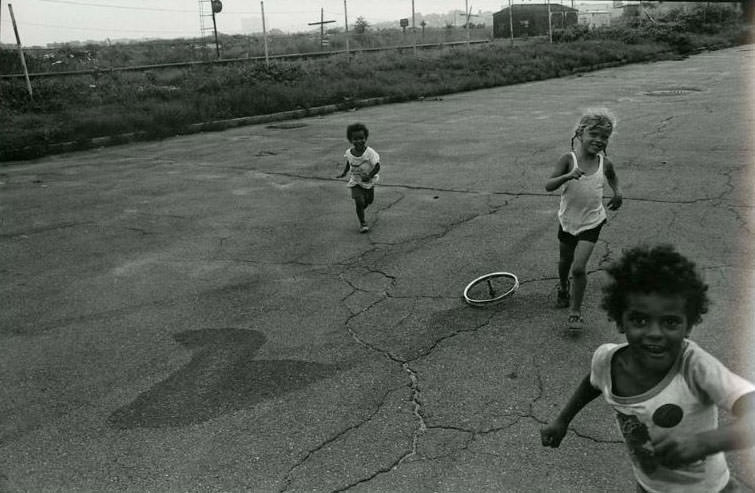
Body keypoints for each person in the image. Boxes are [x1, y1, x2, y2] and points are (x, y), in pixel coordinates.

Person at [541, 244, 755, 492]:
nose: (655, 333)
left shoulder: (694, 366)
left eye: (671, 322)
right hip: (649, 485)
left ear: (689, 326)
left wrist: (704, 443)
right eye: (640, 320)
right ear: (620, 320)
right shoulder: (607, 360)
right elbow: (592, 383)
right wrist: (562, 420)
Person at [545, 108, 623, 330]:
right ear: (580, 134)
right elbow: (548, 185)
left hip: (592, 221)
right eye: (594, 135)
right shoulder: (567, 160)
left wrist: (618, 192)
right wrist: (567, 176)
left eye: (604, 137)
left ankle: (575, 311)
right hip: (568, 221)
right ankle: (563, 286)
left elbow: (612, 177)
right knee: (564, 262)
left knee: (578, 268)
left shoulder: (604, 162)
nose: (599, 140)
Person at [336, 122, 381, 233]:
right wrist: (344, 172)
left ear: (366, 138)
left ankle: (361, 209)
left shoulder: (370, 153)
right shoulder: (349, 152)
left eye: (361, 138)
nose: (359, 141)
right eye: (355, 139)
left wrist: (370, 176)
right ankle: (363, 223)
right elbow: (349, 162)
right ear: (351, 140)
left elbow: (377, 166)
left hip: (368, 181)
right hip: (355, 181)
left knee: (369, 201)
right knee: (359, 201)